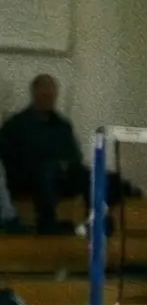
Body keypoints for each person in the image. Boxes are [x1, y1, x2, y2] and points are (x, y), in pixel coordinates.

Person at [1, 74, 85, 235]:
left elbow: (74, 155)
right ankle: (48, 224)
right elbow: (8, 158)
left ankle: (94, 222)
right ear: (35, 94)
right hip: (28, 178)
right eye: (44, 95)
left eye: (52, 95)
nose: (49, 99)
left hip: (61, 176)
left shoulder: (62, 125)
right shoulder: (16, 124)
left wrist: (65, 165)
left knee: (92, 175)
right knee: (46, 170)